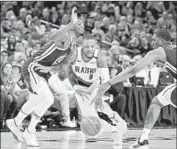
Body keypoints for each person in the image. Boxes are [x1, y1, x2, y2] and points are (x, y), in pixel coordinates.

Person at [6, 6, 84, 147]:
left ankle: (16, 122)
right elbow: (54, 35)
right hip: (32, 67)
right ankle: (29, 130)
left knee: (40, 99)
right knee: (47, 98)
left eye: (83, 24)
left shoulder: (72, 48)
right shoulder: (64, 36)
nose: (82, 26)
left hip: (41, 71)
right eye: (78, 23)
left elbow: (62, 66)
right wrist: (70, 24)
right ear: (72, 26)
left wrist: (51, 68)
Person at [91, 29, 176, 149]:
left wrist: (109, 82)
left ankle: (143, 140)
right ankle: (142, 140)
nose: (152, 43)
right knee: (157, 101)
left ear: (161, 40)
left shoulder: (158, 52)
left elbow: (133, 70)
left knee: (156, 102)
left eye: (154, 40)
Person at [69, 34, 127, 148]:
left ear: (96, 46)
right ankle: (116, 125)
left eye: (92, 46)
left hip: (96, 85)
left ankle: (115, 126)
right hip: (80, 88)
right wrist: (75, 86)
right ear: (81, 46)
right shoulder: (74, 54)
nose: (90, 49)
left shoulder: (100, 56)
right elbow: (68, 70)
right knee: (92, 118)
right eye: (86, 47)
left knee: (95, 113)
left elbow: (104, 80)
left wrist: (98, 95)